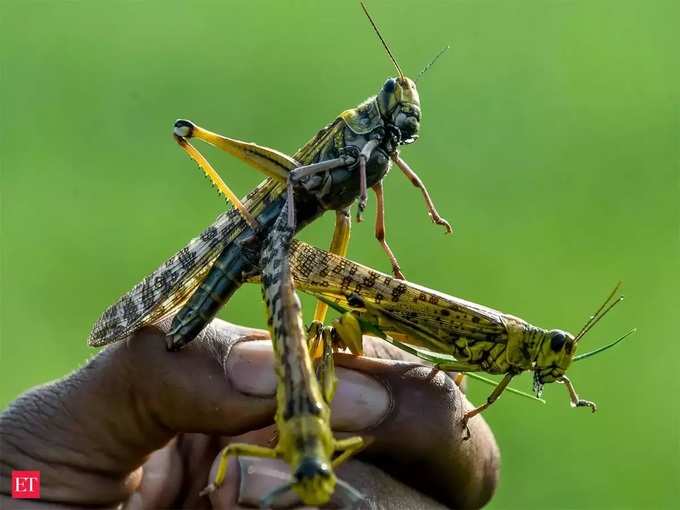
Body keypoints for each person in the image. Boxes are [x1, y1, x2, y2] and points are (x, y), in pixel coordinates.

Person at [0, 319, 499, 509]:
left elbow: (238, 455)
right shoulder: (21, 477)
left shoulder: (26, 479)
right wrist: (19, 484)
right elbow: (23, 483)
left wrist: (26, 485)